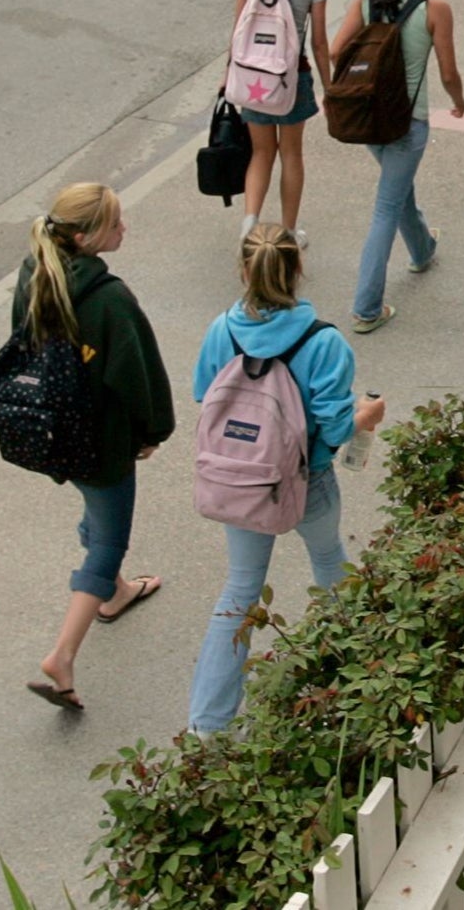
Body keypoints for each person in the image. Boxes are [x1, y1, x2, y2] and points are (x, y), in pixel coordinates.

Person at [186, 223, 386, 735]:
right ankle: (361, 676)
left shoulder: (220, 330)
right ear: (297, 269)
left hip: (243, 484)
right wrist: (366, 415)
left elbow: (203, 395)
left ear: (244, 270)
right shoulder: (323, 340)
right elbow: (337, 426)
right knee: (327, 559)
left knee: (240, 591)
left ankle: (208, 726)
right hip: (307, 479)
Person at [15, 183, 174, 712]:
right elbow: (138, 376)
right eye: (115, 224)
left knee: (94, 512)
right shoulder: (109, 300)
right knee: (108, 539)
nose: (124, 229)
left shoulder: (34, 274)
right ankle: (62, 655)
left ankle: (118, 590)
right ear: (85, 237)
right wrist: (153, 433)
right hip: (102, 440)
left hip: (51, 430)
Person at [328, 0, 464, 333]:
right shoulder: (435, 9)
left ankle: (423, 249)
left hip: (369, 119)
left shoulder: (366, 1)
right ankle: (366, 308)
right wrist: (460, 103)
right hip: (408, 123)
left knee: (396, 189)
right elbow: (447, 72)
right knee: (386, 206)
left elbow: (337, 50)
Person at [234, 0, 332, 248]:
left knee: (261, 152)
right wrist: (329, 85)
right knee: (291, 153)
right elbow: (319, 41)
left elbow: (237, 29)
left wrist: (228, 73)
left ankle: (249, 225)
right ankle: (288, 232)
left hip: (253, 76)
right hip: (291, 77)